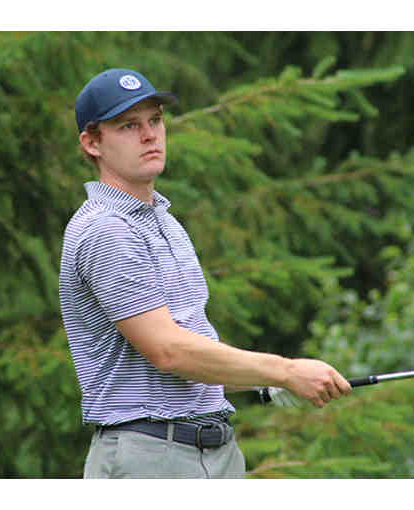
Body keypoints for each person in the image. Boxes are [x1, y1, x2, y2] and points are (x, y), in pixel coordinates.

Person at [59, 68, 352, 479]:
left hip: (214, 453)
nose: (150, 135)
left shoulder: (163, 221)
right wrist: (285, 370)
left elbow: (192, 345)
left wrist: (263, 381)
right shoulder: (106, 229)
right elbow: (168, 351)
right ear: (92, 143)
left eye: (155, 120)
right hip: (149, 458)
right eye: (129, 126)